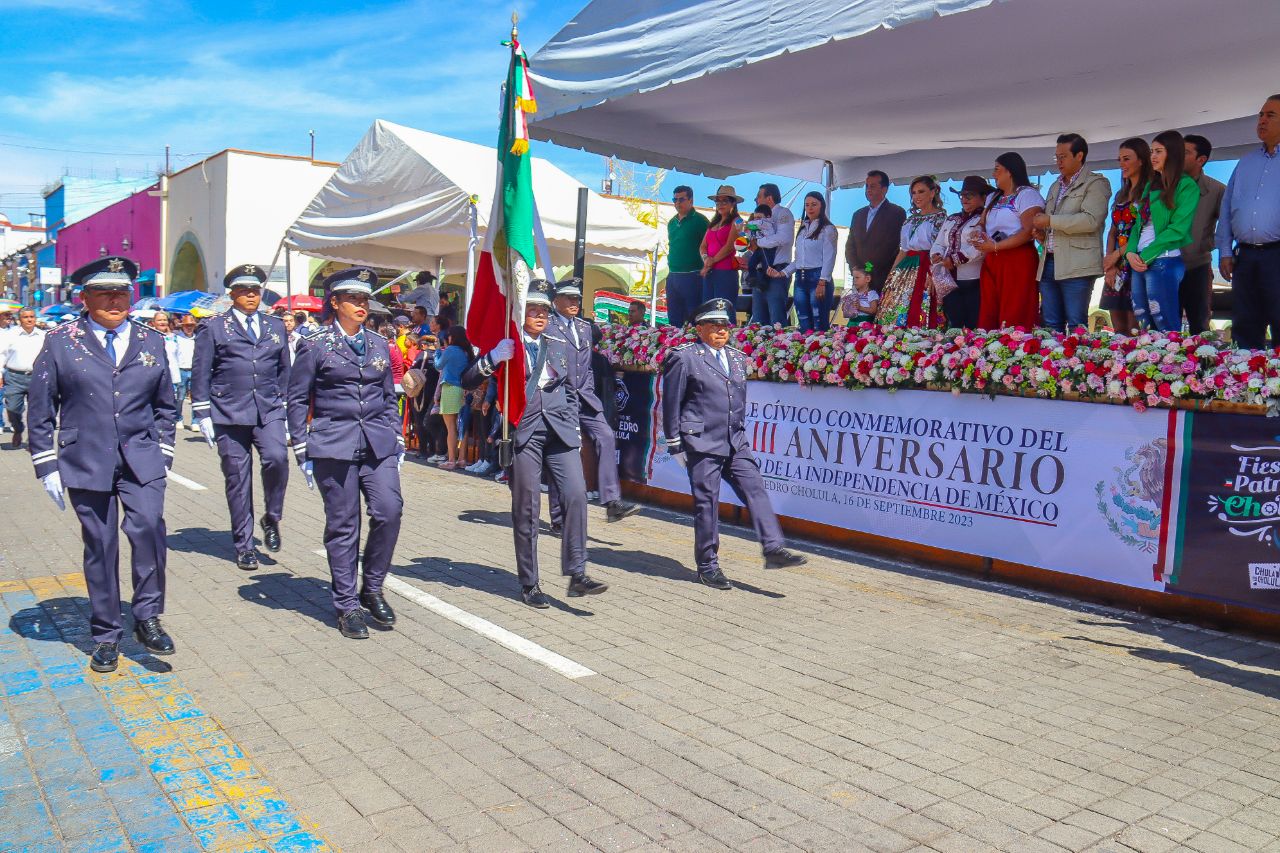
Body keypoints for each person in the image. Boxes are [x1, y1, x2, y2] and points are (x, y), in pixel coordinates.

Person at [27, 256, 178, 673]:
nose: (115, 300)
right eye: (105, 293)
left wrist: (164, 448)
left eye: (122, 293)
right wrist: (46, 464)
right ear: (85, 297)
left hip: (142, 457)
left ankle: (146, 615)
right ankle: (107, 634)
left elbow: (166, 403)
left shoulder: (151, 340)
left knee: (148, 527)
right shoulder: (61, 340)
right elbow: (40, 408)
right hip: (85, 457)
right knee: (101, 544)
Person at [463, 278, 608, 608]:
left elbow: (573, 386)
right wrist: (493, 359)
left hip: (559, 430)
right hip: (524, 430)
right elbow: (468, 379)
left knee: (575, 495)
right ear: (519, 312)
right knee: (527, 509)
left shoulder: (557, 343)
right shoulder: (507, 343)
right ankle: (529, 582)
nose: (541, 315)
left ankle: (577, 573)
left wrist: (571, 418)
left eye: (544, 309)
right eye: (533, 309)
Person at [288, 267, 405, 638]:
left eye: (364, 299)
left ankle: (371, 588)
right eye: (353, 298)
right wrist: (301, 447)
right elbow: (296, 397)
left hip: (377, 442)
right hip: (332, 442)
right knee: (343, 525)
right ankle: (346, 604)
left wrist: (395, 435)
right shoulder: (315, 343)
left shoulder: (378, 343)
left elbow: (388, 394)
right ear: (335, 302)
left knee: (389, 510)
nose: (361, 305)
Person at [662, 298, 807, 588]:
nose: (721, 330)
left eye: (725, 325)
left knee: (755, 489)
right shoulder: (685, 357)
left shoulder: (738, 358)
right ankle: (708, 566)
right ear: (699, 328)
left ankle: (773, 548)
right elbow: (671, 402)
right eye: (714, 325)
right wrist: (675, 442)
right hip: (701, 440)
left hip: (734, 441)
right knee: (707, 504)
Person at [190, 264, 291, 571]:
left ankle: (271, 517)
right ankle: (244, 545)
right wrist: (202, 412)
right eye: (244, 291)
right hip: (228, 410)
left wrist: (284, 404)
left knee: (277, 459)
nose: (250, 295)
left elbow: (284, 368)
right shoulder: (214, 326)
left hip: (268, 408)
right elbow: (201, 369)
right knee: (237, 478)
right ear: (232, 294)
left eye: (255, 290)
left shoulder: (274, 326)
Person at [547, 278, 639, 525]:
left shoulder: (585, 328)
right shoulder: (549, 326)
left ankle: (612, 502)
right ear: (556, 300)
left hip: (585, 397)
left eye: (577, 298)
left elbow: (586, 365)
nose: (574, 302)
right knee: (563, 452)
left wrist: (587, 389)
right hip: (560, 397)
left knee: (606, 437)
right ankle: (558, 516)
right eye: (569, 298)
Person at [1031, 133, 1112, 332]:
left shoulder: (1096, 184)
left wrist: (1050, 220)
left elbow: (1091, 220)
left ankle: (1078, 363)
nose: (1059, 161)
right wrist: (1044, 236)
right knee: (1050, 324)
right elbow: (1057, 225)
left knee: (1077, 324)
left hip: (1078, 264)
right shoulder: (1055, 186)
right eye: (1056, 157)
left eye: (1063, 156)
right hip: (1049, 260)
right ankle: (1052, 363)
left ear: (1079, 155)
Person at [1218, 95, 1280, 348]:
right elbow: (1227, 208)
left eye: (1270, 115)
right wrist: (1224, 251)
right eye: (1261, 115)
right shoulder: (1246, 162)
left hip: (1277, 255)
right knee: (1245, 324)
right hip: (1245, 257)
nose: (1262, 120)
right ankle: (1247, 385)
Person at [1126, 130, 1198, 333]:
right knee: (1143, 321)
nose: (1153, 156)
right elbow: (1138, 224)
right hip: (1141, 259)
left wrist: (1145, 255)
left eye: (1158, 151)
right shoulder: (1150, 185)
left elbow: (1178, 229)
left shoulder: (1186, 186)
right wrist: (1131, 253)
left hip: (1163, 260)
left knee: (1164, 321)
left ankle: (1171, 365)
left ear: (1173, 153)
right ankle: (1146, 364)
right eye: (1151, 151)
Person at [973, 153, 1046, 330]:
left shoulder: (1027, 195)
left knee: (1015, 312)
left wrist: (997, 246)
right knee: (990, 310)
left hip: (1017, 260)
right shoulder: (993, 197)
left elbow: (1029, 231)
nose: (993, 174)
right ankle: (989, 352)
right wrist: (978, 233)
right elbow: (982, 223)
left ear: (1010, 171)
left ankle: (1015, 352)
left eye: (997, 169)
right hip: (993, 260)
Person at [876, 176, 947, 328]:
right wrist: (892, 274)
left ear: (933, 193)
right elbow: (904, 250)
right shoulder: (910, 220)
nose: (916, 196)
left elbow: (941, 248)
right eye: (913, 193)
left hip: (928, 266)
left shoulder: (941, 218)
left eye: (921, 191)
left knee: (922, 306)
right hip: (906, 267)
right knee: (897, 307)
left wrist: (935, 274)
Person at [1102, 138, 1152, 334]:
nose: (1121, 164)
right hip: (1117, 266)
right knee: (1118, 329)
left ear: (1141, 160)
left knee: (1135, 328)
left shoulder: (1149, 193)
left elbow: (1142, 232)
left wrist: (1117, 255)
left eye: (1126, 159)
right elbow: (1113, 230)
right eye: (1119, 159)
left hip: (1137, 262)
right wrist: (1110, 264)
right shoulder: (1121, 194)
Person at [932, 176, 995, 329]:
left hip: (974, 280)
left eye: (970, 195)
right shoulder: (952, 219)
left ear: (983, 197)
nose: (964, 199)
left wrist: (954, 260)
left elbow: (980, 247)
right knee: (954, 323)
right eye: (962, 195)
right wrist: (936, 255)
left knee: (975, 323)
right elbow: (939, 243)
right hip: (949, 281)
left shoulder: (986, 219)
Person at [770, 192, 838, 331]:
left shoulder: (828, 229)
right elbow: (799, 260)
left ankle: (820, 351)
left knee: (819, 321)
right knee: (803, 321)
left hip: (818, 277)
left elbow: (829, 257)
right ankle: (805, 352)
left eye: (814, 204)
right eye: (807, 205)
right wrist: (782, 273)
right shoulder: (802, 229)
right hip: (800, 278)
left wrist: (822, 281)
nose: (810, 208)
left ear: (822, 206)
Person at [1179, 134, 1226, 335]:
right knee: (1161, 328)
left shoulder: (1216, 190)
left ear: (1201, 159)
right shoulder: (1161, 186)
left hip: (1197, 267)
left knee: (1199, 327)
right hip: (1163, 268)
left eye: (1186, 152)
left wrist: (1206, 244)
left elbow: (1228, 227)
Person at [845, 170, 907, 293]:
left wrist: (867, 269)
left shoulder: (896, 213)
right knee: (860, 312)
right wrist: (856, 268)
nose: (868, 189)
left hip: (882, 278)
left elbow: (890, 246)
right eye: (867, 186)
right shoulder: (858, 215)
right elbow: (850, 245)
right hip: (859, 279)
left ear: (884, 189)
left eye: (872, 186)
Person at [0, 307, 46, 448]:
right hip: (14, 376)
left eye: (32, 316)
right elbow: (2, 355)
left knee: (36, 411)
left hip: (37, 377)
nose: (29, 319)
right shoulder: (10, 335)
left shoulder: (43, 335)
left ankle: (34, 439)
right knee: (13, 408)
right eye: (26, 317)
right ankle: (18, 429)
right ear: (20, 320)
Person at [750, 183, 796, 325]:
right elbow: (751, 241)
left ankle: (778, 345)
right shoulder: (757, 216)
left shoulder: (783, 213)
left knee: (776, 318)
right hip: (760, 270)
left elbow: (784, 238)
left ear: (769, 198)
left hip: (778, 269)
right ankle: (760, 346)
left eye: (758, 196)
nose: (755, 200)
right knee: (758, 318)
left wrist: (760, 242)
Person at [665, 185, 710, 327]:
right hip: (672, 275)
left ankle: (695, 346)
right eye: (675, 199)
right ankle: (676, 346)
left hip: (693, 275)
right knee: (674, 318)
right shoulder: (672, 222)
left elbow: (708, 246)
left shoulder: (701, 221)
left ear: (691, 200)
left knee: (694, 317)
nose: (678, 203)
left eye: (682, 199)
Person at [433, 325, 472, 469]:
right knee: (463, 426)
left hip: (450, 388)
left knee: (451, 427)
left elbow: (438, 366)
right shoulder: (466, 352)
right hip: (464, 389)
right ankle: (462, 459)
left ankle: (451, 460)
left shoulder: (450, 350)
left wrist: (437, 351)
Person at [700, 185, 744, 305]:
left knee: (723, 311)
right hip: (710, 272)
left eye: (725, 201)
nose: (720, 204)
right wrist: (706, 259)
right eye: (718, 201)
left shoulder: (738, 221)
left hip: (726, 272)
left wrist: (711, 261)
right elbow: (703, 245)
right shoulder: (713, 223)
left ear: (733, 203)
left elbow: (730, 246)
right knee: (708, 310)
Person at [167, 313, 197, 430]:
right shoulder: (177, 338)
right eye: (187, 325)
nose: (189, 327)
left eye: (191, 325)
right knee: (180, 397)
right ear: (182, 326)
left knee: (195, 397)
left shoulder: (198, 338)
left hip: (194, 370)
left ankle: (195, 420)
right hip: (181, 370)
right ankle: (178, 418)